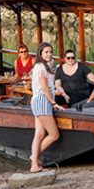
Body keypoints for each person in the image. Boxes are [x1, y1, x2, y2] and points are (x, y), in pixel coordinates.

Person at [30, 42, 64, 172]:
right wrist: (54, 103)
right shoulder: (40, 67)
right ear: (40, 53)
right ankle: (34, 158)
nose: (49, 54)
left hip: (39, 101)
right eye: (46, 52)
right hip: (42, 101)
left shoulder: (44, 66)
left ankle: (35, 164)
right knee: (54, 135)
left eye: (50, 52)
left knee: (39, 134)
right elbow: (44, 86)